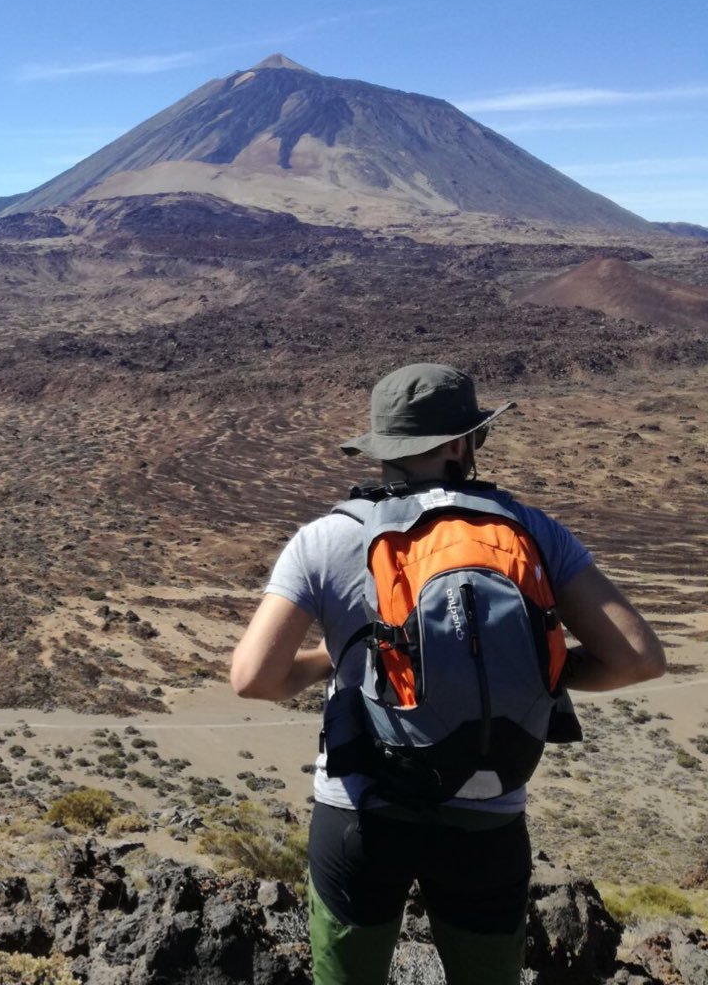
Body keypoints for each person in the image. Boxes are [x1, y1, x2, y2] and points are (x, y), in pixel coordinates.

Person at [230, 363, 666, 985]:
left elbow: (253, 678)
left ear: (384, 447)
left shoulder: (327, 538)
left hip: (359, 813)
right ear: (463, 443)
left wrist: (339, 657)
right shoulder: (532, 531)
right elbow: (639, 659)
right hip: (487, 813)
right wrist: (535, 663)